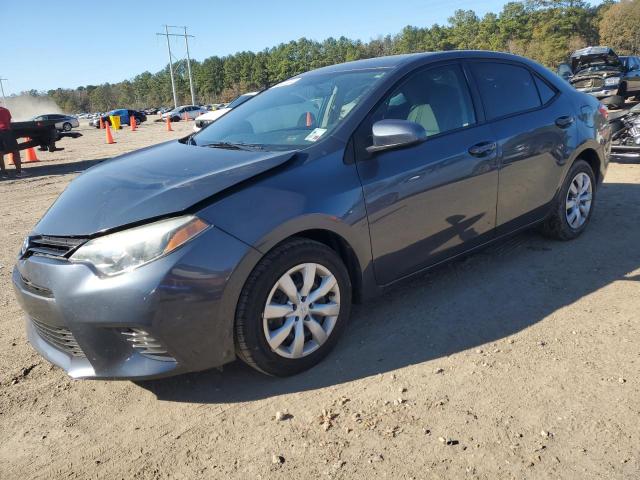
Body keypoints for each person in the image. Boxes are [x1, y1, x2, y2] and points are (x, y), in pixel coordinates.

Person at [0, 105, 26, 178]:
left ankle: (4, 173)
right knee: (15, 151)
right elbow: (9, 121)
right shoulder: (5, 110)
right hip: (6, 132)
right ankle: (18, 172)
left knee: (0, 153)